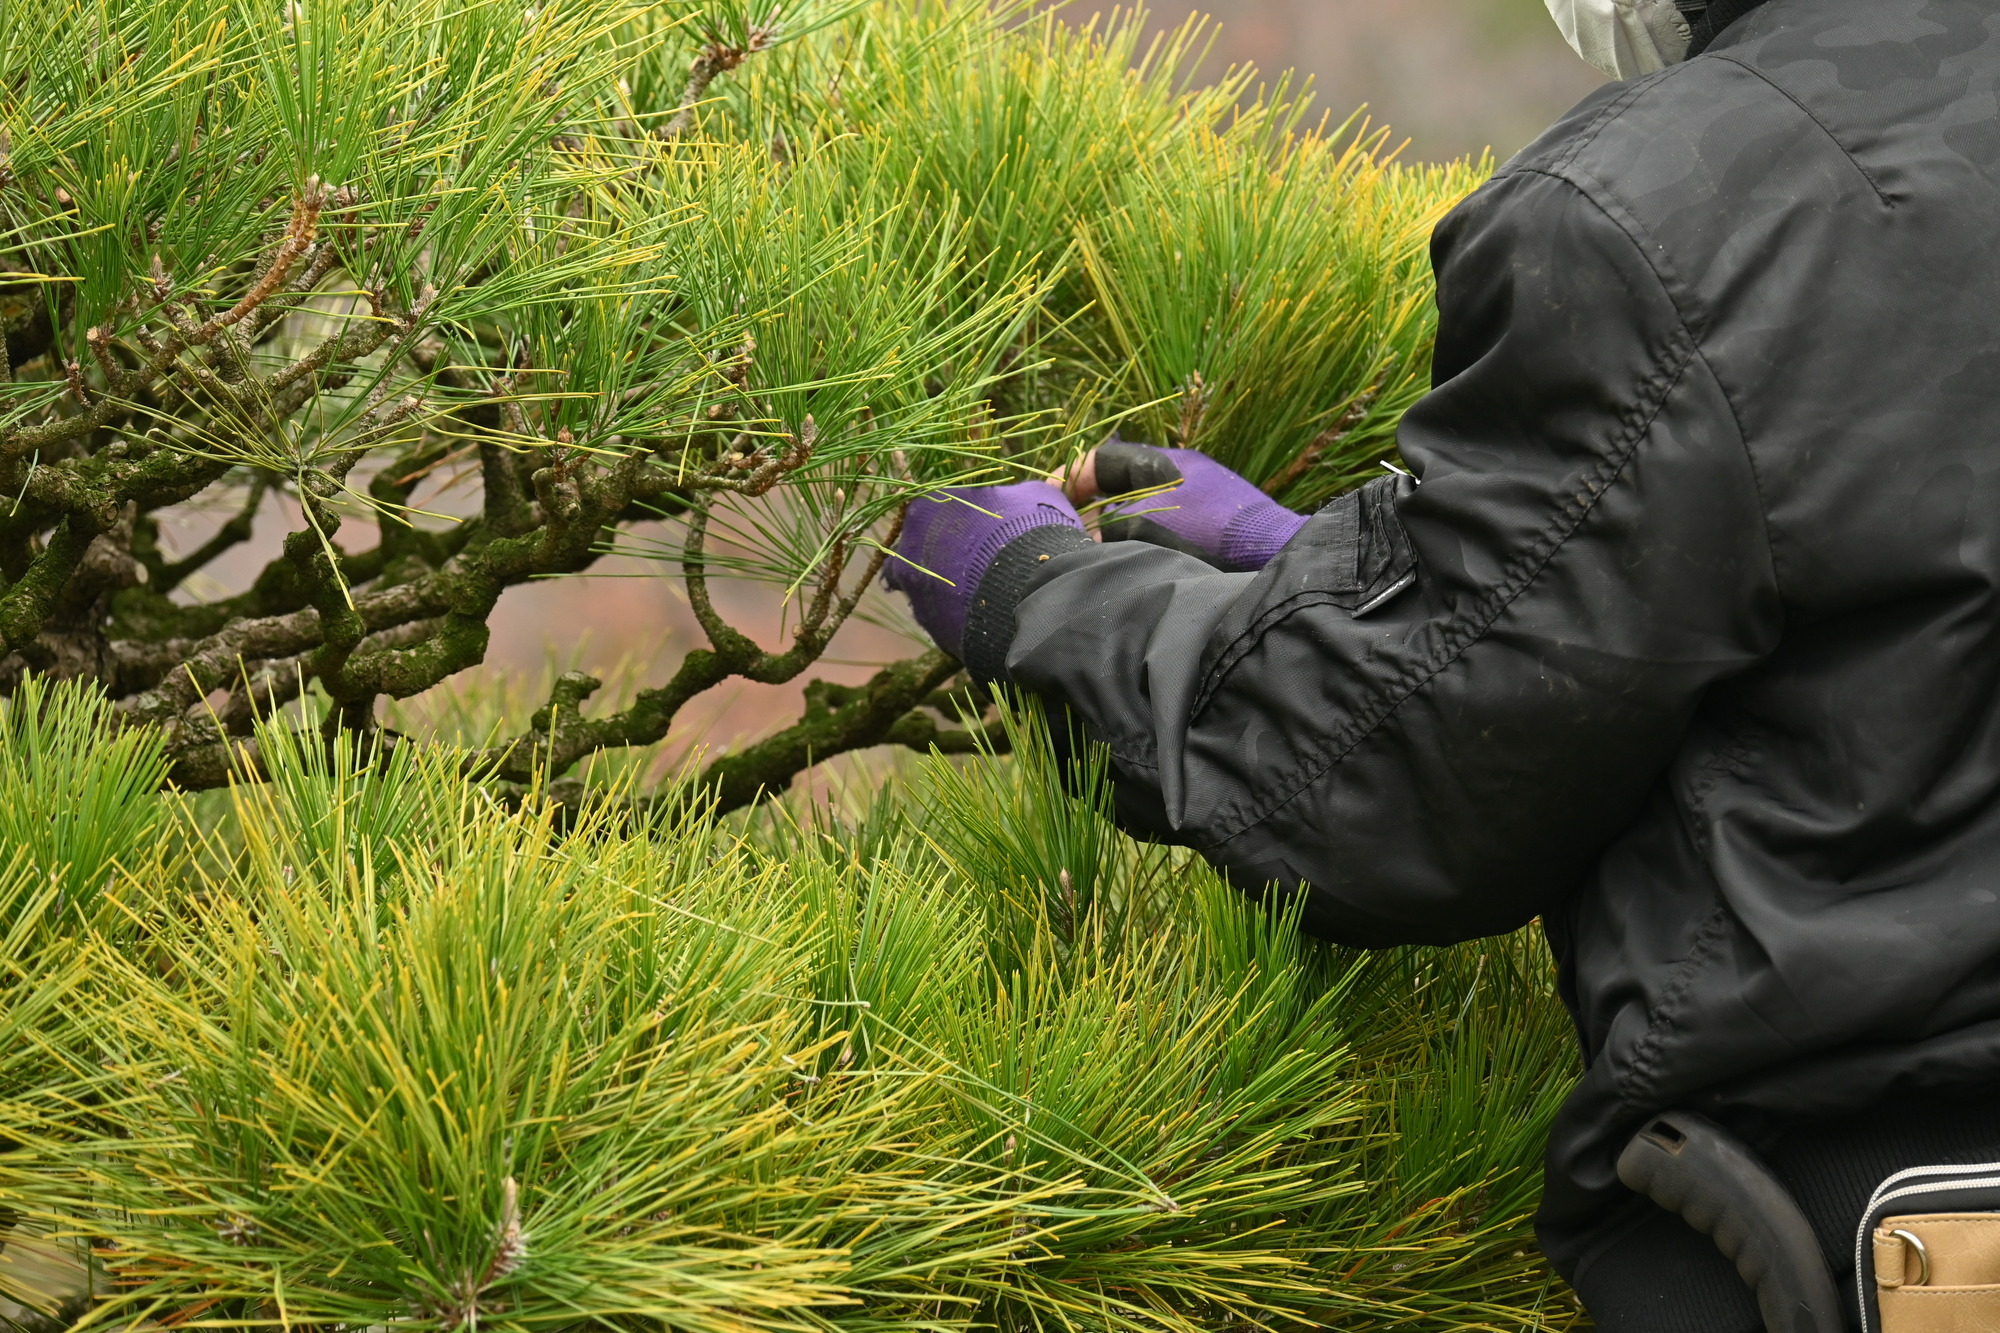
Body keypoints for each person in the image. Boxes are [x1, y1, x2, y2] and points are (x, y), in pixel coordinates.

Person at [881, 1, 2000, 1328]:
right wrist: (1335, 568)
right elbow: (1886, 595)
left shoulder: (1684, 206)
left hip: (1869, 1249)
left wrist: (1039, 598)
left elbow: (1380, 781)